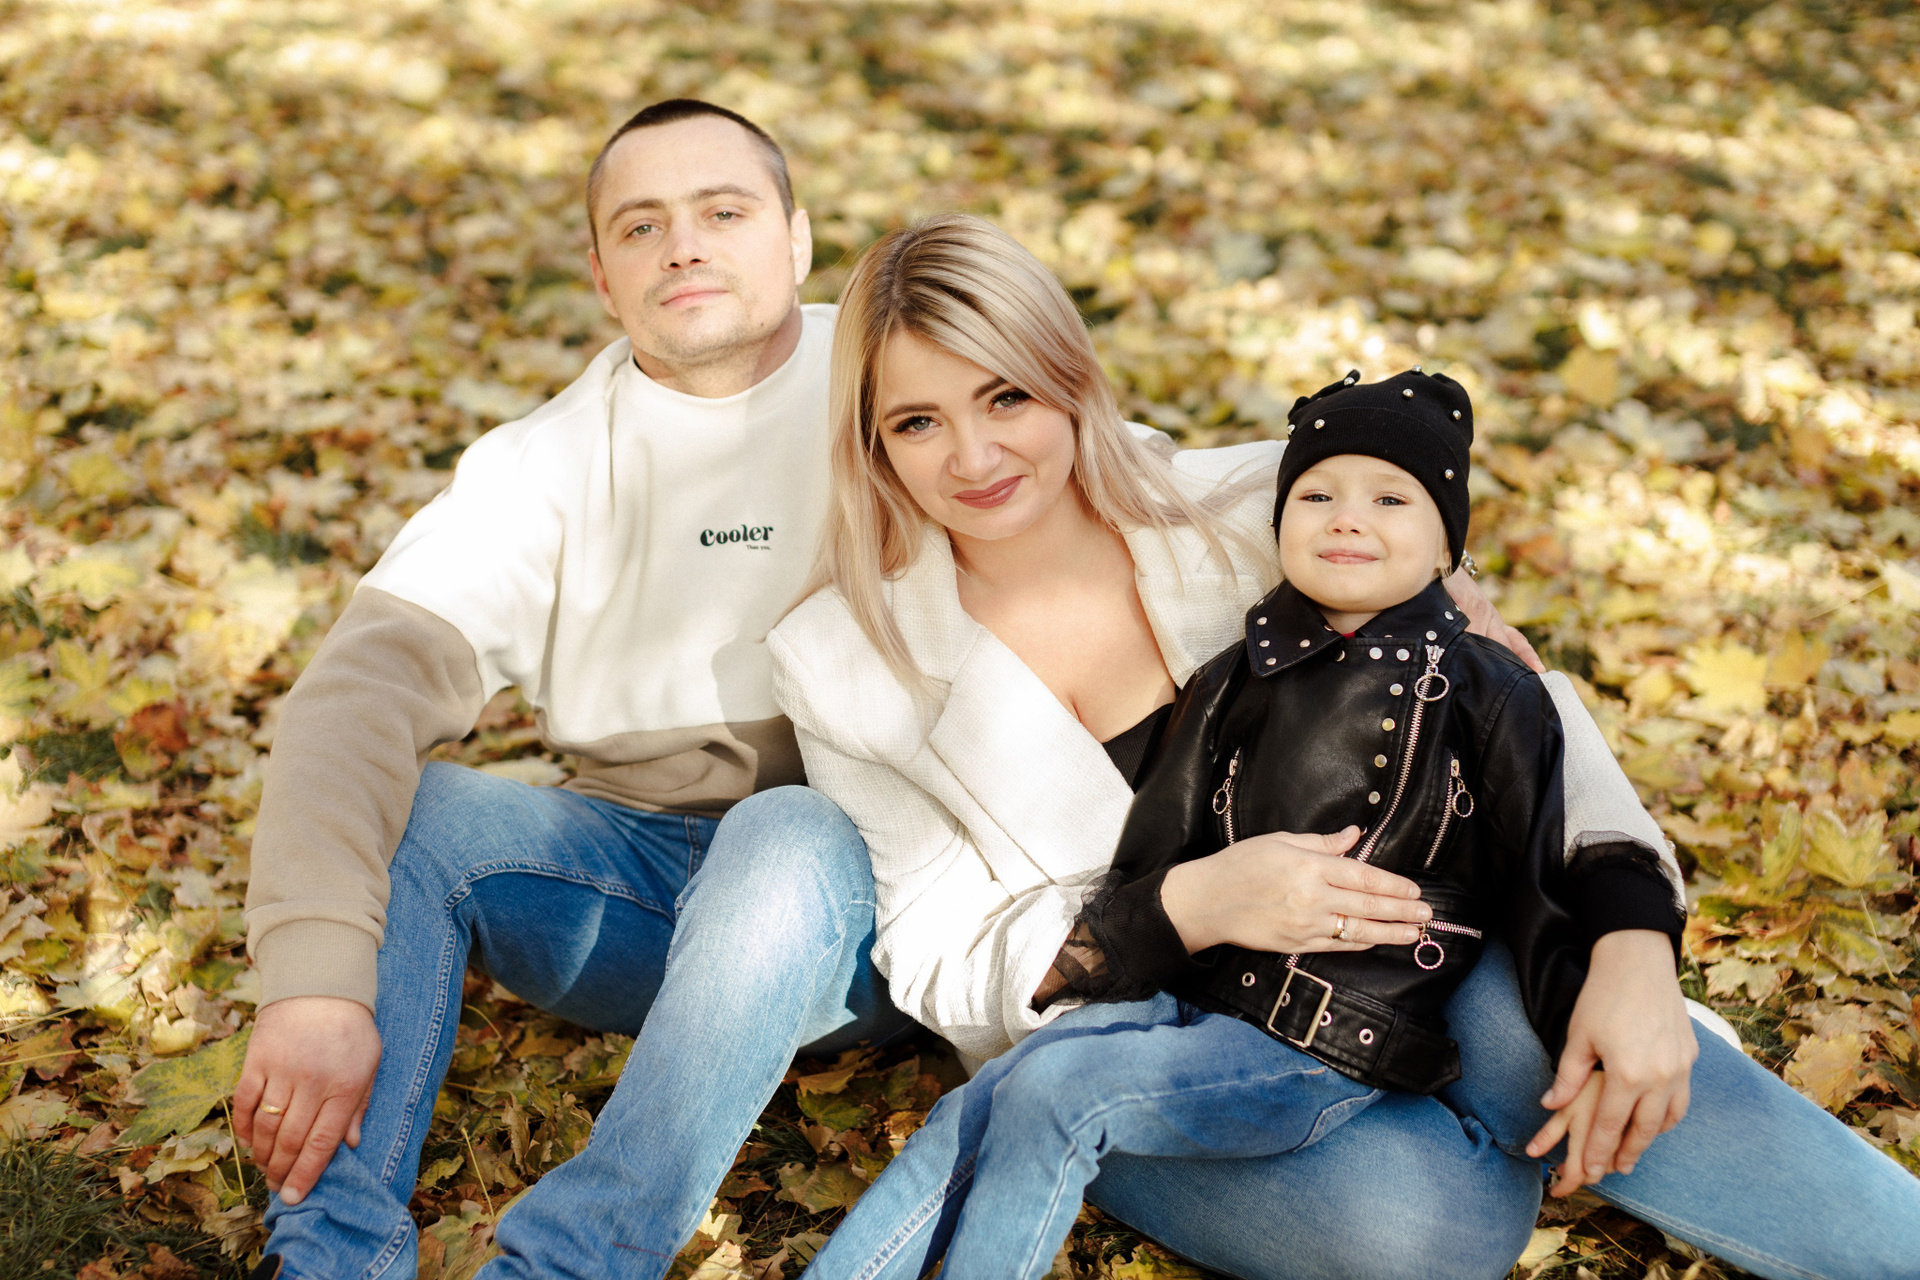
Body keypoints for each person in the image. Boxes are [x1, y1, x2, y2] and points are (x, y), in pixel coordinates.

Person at [769, 214, 1920, 1280]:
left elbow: (1521, 712)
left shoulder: (1272, 508)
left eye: (1006, 395)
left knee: (1556, 1017)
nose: (974, 455)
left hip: (1399, 961)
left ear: (1068, 378)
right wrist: (1194, 901)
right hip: (1135, 1040)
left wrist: (1634, 942)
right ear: (872, 443)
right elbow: (941, 961)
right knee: (1439, 1226)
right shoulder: (844, 662)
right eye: (917, 421)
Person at [233, 99, 919, 1280]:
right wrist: (313, 983)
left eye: (723, 212)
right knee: (419, 813)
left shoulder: (900, 381)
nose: (683, 246)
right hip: (632, 890)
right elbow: (358, 695)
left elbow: (1121, 485)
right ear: (603, 274)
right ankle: (331, 1258)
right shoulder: (541, 464)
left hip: (872, 901)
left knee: (788, 826)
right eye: (642, 226)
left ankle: (566, 1264)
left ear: (799, 239)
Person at [797, 367, 1679, 1279]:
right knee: (1011, 1092)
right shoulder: (1242, 668)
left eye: (1389, 500)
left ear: (1448, 549)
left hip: (1336, 1017)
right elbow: (1156, 847)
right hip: (1196, 988)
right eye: (1319, 497)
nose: (1347, 519)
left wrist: (1619, 968)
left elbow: (1541, 861)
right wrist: (1167, 922)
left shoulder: (1482, 682)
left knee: (1055, 1089)